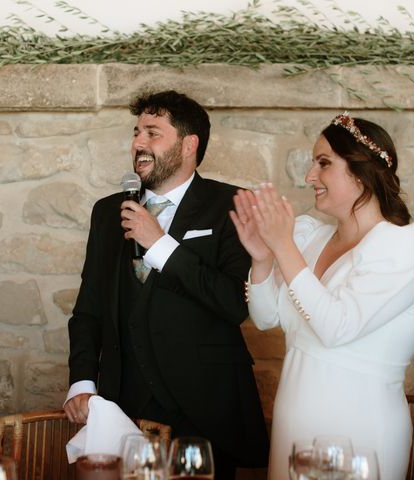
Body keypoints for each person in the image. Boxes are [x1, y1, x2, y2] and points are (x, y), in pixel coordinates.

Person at [65, 90, 269, 479]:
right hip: (122, 406)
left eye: (153, 133)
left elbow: (232, 302)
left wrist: (159, 244)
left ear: (189, 144)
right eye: (136, 132)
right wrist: (82, 381)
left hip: (205, 409)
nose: (138, 143)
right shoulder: (108, 212)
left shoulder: (233, 206)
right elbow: (89, 307)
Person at [230, 112, 414, 480]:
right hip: (293, 427)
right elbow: (265, 318)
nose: (309, 177)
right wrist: (262, 259)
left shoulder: (399, 248)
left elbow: (336, 327)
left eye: (323, 163)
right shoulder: (312, 237)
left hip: (360, 434)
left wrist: (282, 246)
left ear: (361, 172)